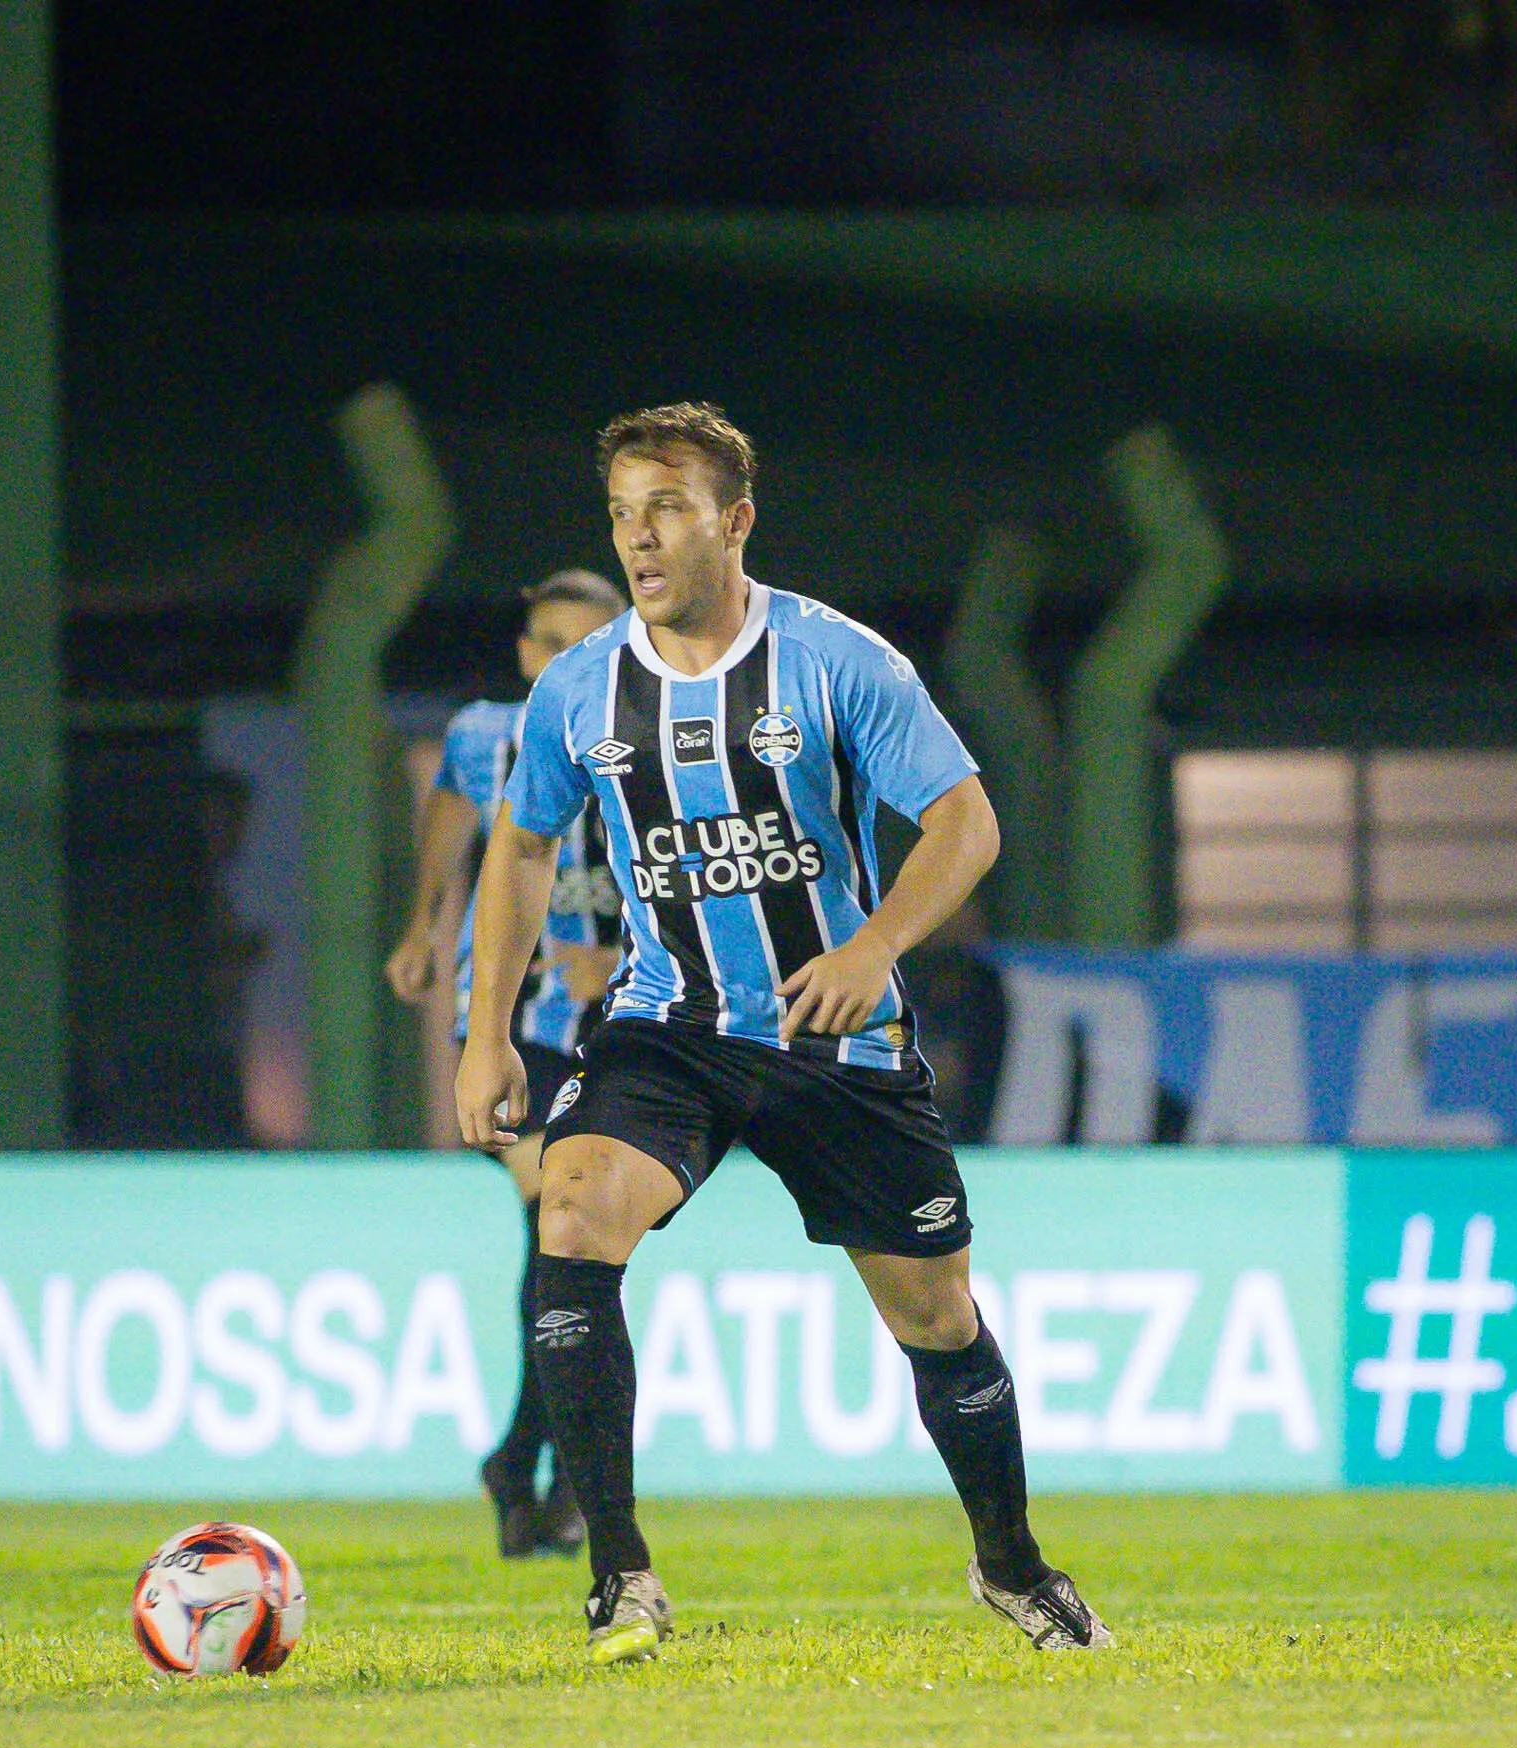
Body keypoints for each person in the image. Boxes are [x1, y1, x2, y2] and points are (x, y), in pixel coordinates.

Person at [455, 403, 1112, 1663]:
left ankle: (1012, 1564)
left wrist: (874, 948)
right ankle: (620, 1573)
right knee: (574, 1209)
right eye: (620, 516)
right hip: (668, 1025)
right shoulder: (580, 686)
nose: (639, 540)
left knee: (936, 1317)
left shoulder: (835, 659)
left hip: (833, 1040)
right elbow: (524, 844)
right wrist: (488, 1034)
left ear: (736, 521)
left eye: (667, 510)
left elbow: (966, 821)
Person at [389, 569, 627, 1558]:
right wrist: (421, 925)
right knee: (559, 1216)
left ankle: (527, 1460)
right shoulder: (484, 733)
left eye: (582, 638)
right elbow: (452, 826)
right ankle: (562, 1470)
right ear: (526, 650)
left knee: (574, 1245)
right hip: (508, 1020)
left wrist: (623, 952)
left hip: (614, 1020)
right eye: (544, 638)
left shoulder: (650, 730)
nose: (556, 655)